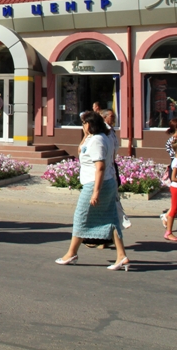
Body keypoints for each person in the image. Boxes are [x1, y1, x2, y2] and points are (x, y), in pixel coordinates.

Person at [55, 111, 129, 270]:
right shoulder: (100, 137)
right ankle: (121, 256)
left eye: (84, 123)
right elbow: (81, 150)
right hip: (105, 183)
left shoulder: (97, 141)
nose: (82, 126)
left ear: (90, 124)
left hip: (95, 184)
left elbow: (100, 167)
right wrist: (85, 135)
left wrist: (96, 192)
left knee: (81, 217)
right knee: (112, 219)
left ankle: (71, 253)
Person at [101, 109, 131, 230]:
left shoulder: (111, 130)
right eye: (111, 116)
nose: (113, 119)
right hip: (107, 167)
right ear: (104, 117)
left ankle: (117, 222)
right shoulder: (104, 131)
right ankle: (117, 222)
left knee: (114, 195)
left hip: (112, 165)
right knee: (110, 197)